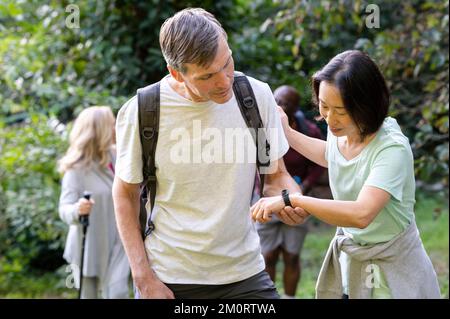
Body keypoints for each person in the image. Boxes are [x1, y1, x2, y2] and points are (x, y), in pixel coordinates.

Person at [112, 8, 305, 299]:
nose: (225, 81)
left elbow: (275, 175)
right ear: (176, 72)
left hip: (245, 273)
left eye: (227, 63)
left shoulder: (255, 96)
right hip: (170, 277)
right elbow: (125, 194)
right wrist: (143, 278)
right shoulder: (142, 112)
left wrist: (291, 199)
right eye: (208, 76)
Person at [251, 50, 441, 299]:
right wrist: (286, 132)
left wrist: (293, 199)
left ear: (366, 105)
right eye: (324, 106)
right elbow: (332, 155)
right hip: (353, 261)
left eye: (340, 110)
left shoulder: (391, 148)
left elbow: (362, 214)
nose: (330, 119)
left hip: (394, 269)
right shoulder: (342, 131)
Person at [256, 85, 329, 299]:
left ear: (296, 108)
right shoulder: (262, 128)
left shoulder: (308, 130)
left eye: (285, 103)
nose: (279, 106)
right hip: (267, 199)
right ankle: (269, 299)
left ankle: (289, 296)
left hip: (297, 197)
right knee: (267, 255)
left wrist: (305, 187)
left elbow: (321, 162)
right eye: (276, 100)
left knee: (291, 255)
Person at [58, 106, 130, 299]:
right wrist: (77, 209)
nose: (116, 128)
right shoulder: (76, 169)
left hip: (119, 242)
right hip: (89, 246)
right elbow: (64, 209)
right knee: (88, 295)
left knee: (117, 293)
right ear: (100, 130)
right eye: (112, 124)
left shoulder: (119, 157)